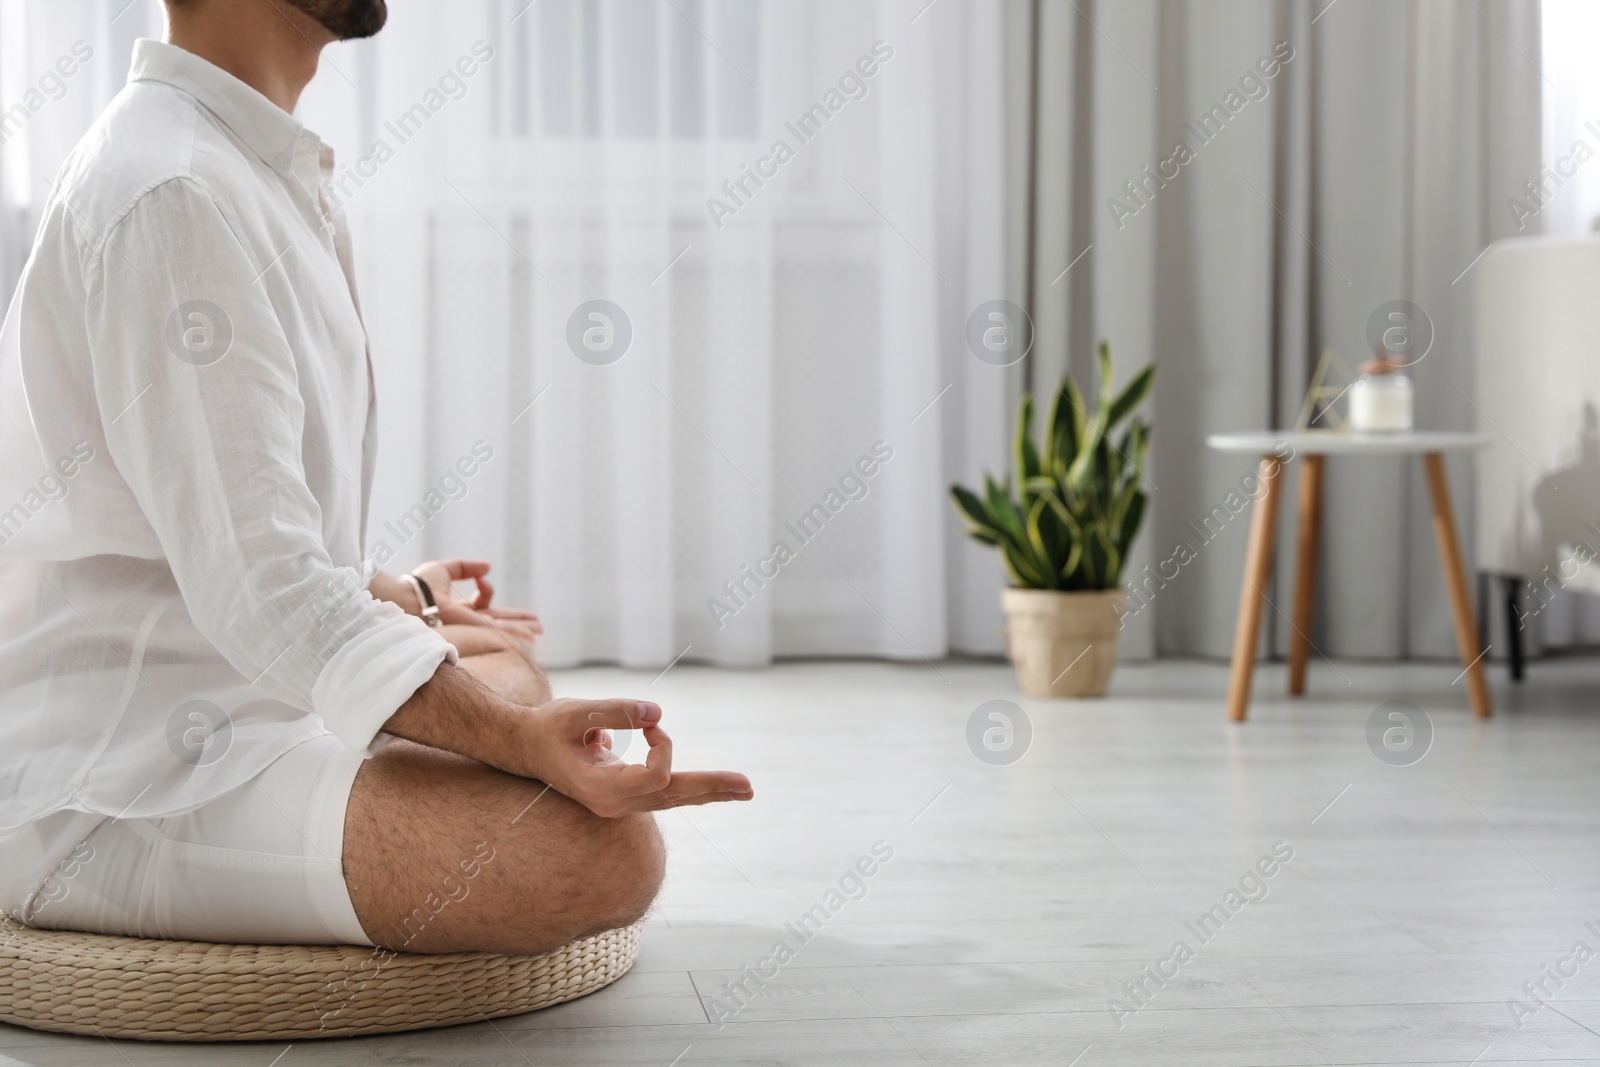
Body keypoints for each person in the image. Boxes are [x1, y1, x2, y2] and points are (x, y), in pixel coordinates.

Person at [0, 0, 751, 955]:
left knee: (505, 672)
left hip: (250, 703)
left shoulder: (253, 166)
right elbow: (260, 584)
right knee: (596, 853)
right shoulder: (174, 192)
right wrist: (513, 738)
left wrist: (397, 598)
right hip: (129, 781)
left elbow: (224, 517)